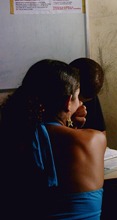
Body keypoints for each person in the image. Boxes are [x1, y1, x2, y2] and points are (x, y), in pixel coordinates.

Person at [0, 59, 107, 219]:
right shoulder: (94, 140)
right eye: (78, 97)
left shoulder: (12, 134)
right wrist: (72, 127)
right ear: (67, 103)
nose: (80, 104)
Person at [70, 57, 106, 131]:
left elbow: (101, 133)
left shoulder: (89, 91)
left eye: (83, 101)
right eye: (76, 98)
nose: (80, 104)